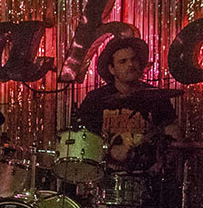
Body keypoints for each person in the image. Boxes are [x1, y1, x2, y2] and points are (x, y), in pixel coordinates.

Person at [76, 35, 180, 173]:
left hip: (146, 176)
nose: (130, 65)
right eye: (123, 61)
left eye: (133, 59)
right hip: (104, 175)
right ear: (112, 69)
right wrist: (109, 149)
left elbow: (173, 134)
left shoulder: (156, 96)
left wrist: (164, 162)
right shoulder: (96, 99)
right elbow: (82, 138)